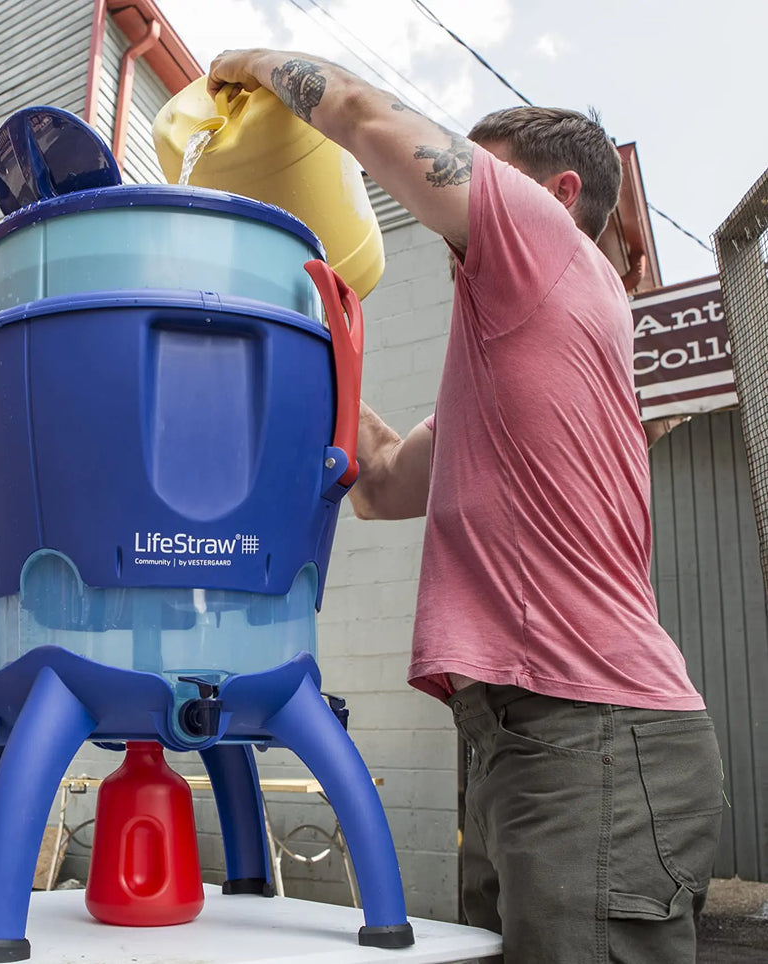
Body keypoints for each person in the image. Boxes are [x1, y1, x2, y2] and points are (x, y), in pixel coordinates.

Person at [208, 50, 722, 963]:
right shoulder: (509, 361)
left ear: (558, 196)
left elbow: (361, 113)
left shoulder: (557, 250)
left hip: (593, 729)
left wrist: (245, 64)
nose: (461, 190)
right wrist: (309, 342)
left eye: (487, 167)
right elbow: (379, 488)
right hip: (519, 735)